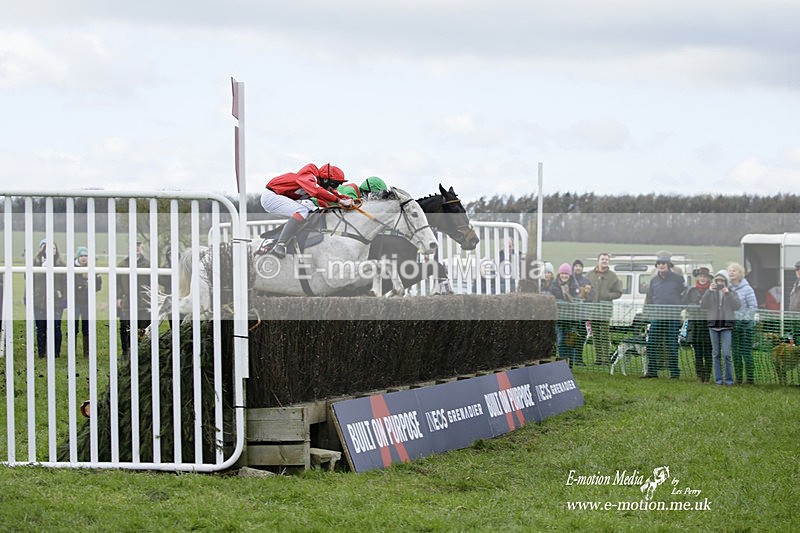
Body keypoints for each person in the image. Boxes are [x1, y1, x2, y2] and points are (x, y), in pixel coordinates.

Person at [259, 163, 354, 258]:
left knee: (312, 207)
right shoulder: (309, 174)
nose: (335, 188)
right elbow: (317, 191)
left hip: (280, 196)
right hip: (270, 196)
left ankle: (298, 237)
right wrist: (340, 201)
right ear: (325, 179)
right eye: (335, 184)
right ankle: (280, 244)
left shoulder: (318, 182)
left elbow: (333, 194)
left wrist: (348, 199)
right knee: (302, 210)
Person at [643, 255, 686, 379]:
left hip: (672, 317)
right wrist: (649, 311)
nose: (661, 265)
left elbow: (685, 293)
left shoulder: (678, 279)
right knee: (651, 344)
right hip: (657, 316)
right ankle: (652, 371)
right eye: (659, 263)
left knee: (672, 345)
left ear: (669, 265)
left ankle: (674, 373)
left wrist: (679, 307)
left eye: (664, 263)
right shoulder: (654, 280)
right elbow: (650, 297)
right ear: (656, 266)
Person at [700, 270, 741, 386]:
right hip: (713, 326)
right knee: (716, 353)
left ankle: (729, 380)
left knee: (727, 354)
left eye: (722, 281)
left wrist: (728, 293)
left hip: (726, 325)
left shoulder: (731, 292)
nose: (719, 283)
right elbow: (703, 305)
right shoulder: (711, 292)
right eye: (718, 280)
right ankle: (718, 380)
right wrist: (708, 291)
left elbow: (737, 306)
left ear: (726, 282)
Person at [29, 239, 66, 358]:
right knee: (41, 328)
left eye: (54, 248)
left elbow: (65, 283)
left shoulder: (61, 265)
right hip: (39, 300)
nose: (51, 251)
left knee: (56, 326)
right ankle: (41, 353)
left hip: (56, 301)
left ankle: (56, 353)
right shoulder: (35, 263)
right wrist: (41, 267)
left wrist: (64, 298)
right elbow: (28, 278)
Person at [586, 252, 622, 365]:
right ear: (598, 260)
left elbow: (618, 292)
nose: (604, 261)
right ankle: (598, 358)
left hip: (605, 309)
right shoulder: (589, 275)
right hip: (593, 309)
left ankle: (606, 359)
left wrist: (608, 296)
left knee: (605, 334)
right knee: (596, 334)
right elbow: (583, 289)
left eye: (606, 259)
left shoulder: (612, 276)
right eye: (602, 259)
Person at [117, 241, 151, 357]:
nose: (136, 249)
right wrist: (119, 296)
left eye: (138, 247)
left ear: (142, 250)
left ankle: (143, 352)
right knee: (126, 327)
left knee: (143, 328)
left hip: (144, 302)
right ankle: (126, 352)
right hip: (127, 301)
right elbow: (117, 283)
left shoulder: (148, 265)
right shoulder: (122, 265)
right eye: (133, 247)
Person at [727, 262, 758, 385]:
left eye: (734, 270)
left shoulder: (747, 288)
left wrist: (745, 320)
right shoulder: (727, 288)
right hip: (733, 326)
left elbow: (753, 306)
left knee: (746, 352)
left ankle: (750, 378)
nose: (731, 273)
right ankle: (738, 378)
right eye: (730, 270)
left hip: (746, 326)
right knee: (735, 353)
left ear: (740, 273)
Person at [548, 263, 582, 367]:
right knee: (561, 341)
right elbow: (551, 300)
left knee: (571, 342)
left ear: (570, 275)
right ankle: (563, 364)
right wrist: (566, 303)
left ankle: (570, 363)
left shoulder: (575, 286)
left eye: (566, 274)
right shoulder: (553, 286)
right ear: (559, 274)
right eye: (562, 273)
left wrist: (563, 303)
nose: (564, 275)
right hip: (559, 319)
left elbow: (577, 300)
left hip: (572, 319)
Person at [684, 267, 713, 383]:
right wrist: (696, 306)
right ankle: (699, 375)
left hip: (708, 324)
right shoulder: (691, 291)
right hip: (695, 324)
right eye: (700, 276)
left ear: (708, 278)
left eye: (705, 276)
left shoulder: (712, 290)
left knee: (708, 352)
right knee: (698, 352)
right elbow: (686, 305)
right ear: (697, 277)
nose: (702, 278)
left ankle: (707, 376)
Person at [74, 246, 102, 358]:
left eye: (86, 256)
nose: (84, 258)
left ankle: (87, 352)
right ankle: (73, 350)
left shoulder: (93, 269)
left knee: (87, 327)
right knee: (73, 327)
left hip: (87, 302)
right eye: (81, 256)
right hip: (75, 302)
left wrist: (95, 279)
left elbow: (98, 287)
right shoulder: (73, 268)